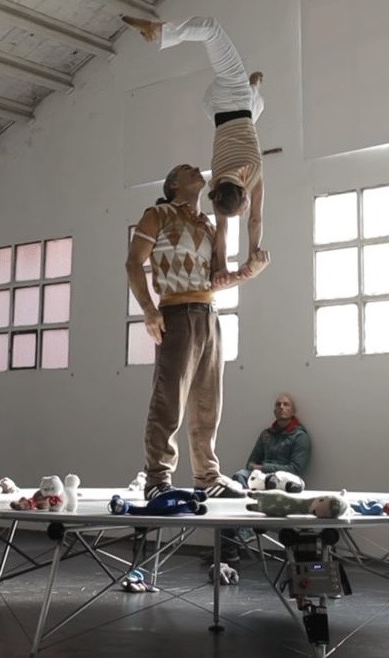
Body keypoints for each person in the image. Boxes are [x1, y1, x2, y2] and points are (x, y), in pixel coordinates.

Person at [126, 163, 269, 501]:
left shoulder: (208, 224)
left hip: (209, 315)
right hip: (175, 314)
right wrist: (148, 310)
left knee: (208, 403)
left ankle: (207, 477)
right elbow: (133, 263)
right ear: (173, 185)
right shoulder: (157, 215)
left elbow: (217, 279)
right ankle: (157, 479)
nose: (195, 168)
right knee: (169, 400)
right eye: (185, 170)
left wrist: (248, 272)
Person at [122, 15, 267, 284]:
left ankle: (160, 31)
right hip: (215, 109)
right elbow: (227, 224)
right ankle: (254, 87)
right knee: (256, 108)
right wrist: (222, 269)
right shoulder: (215, 185)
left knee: (211, 29)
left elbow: (252, 221)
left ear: (245, 197)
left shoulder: (254, 172)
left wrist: (252, 254)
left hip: (232, 96)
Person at [216, 393, 311, 564]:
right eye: (278, 404)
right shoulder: (266, 435)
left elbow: (296, 469)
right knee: (237, 478)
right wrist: (259, 469)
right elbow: (250, 463)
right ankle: (229, 544)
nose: (281, 407)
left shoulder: (300, 437)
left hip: (284, 482)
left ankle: (234, 541)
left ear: (293, 411)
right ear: (274, 410)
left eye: (286, 404)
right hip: (259, 479)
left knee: (270, 482)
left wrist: (265, 468)